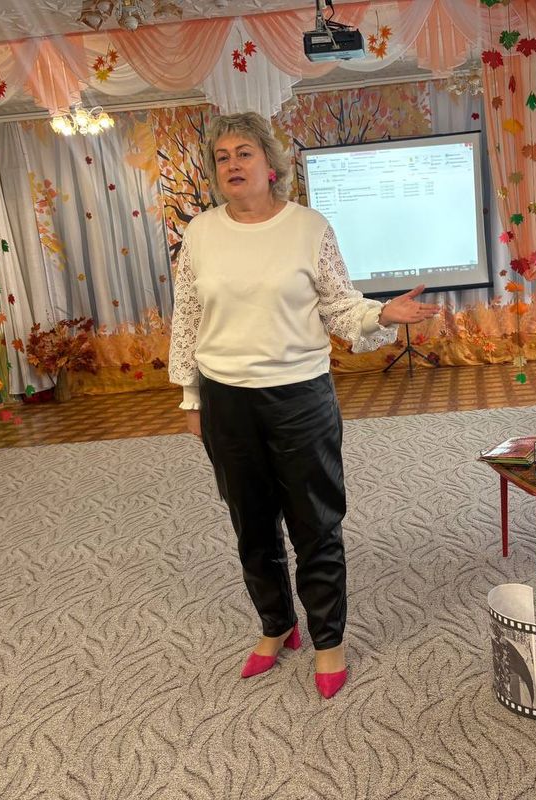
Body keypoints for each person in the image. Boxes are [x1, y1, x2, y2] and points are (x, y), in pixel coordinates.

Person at [168, 112, 440, 699]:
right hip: (225, 399)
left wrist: (381, 313)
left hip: (299, 396)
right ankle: (276, 626)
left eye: (244, 152)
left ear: (270, 165)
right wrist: (191, 396)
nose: (233, 164)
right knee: (250, 525)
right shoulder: (201, 233)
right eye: (222, 156)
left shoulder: (309, 228)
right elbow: (187, 316)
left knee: (315, 524)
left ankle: (328, 639)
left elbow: (338, 306)